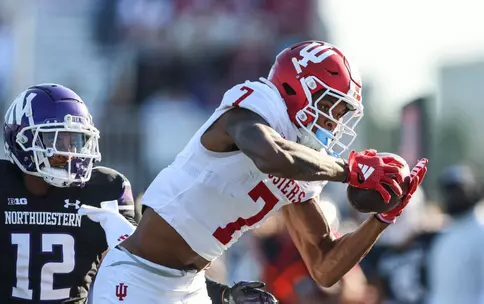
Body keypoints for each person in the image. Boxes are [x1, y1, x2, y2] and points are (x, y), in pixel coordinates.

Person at [91, 40, 429, 303]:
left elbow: (325, 267)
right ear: (297, 86)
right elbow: (270, 155)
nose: (333, 122)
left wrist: (381, 220)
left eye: (340, 113)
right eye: (328, 105)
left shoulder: (307, 158)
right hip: (137, 276)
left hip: (191, 287)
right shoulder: (256, 105)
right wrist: (350, 170)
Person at [0, 83, 274, 304]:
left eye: (77, 142)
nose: (71, 155)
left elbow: (146, 269)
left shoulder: (106, 188)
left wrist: (223, 295)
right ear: (21, 139)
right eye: (58, 142)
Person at [428, 165, 484, 304]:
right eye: (448, 191)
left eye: (458, 191)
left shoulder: (481, 234)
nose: (452, 197)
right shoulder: (442, 237)